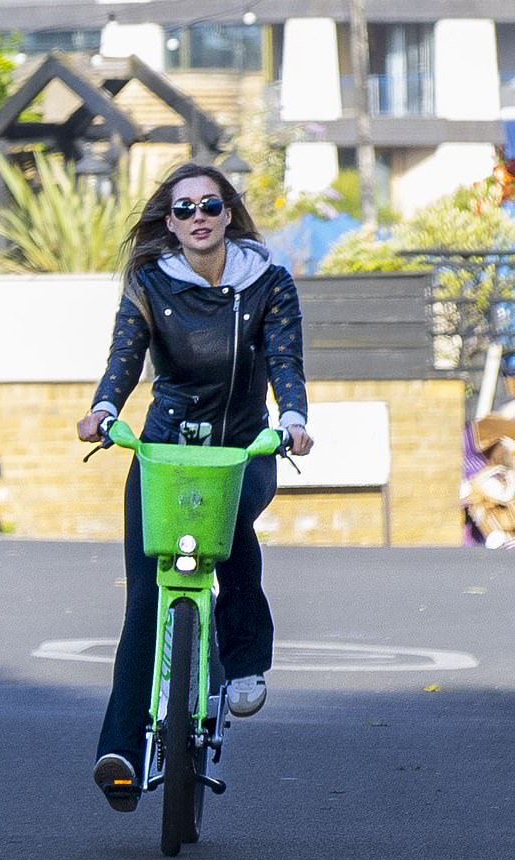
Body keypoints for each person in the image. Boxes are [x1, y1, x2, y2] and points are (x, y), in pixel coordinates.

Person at [77, 161, 313, 812]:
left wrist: (293, 420)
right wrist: (102, 410)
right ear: (171, 223)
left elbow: (287, 361)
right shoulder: (150, 284)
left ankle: (243, 657)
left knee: (231, 519)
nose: (198, 217)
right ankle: (121, 752)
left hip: (244, 445)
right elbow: (123, 359)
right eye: (183, 210)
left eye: (210, 205)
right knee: (147, 598)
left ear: (228, 213)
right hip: (166, 450)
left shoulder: (268, 281)